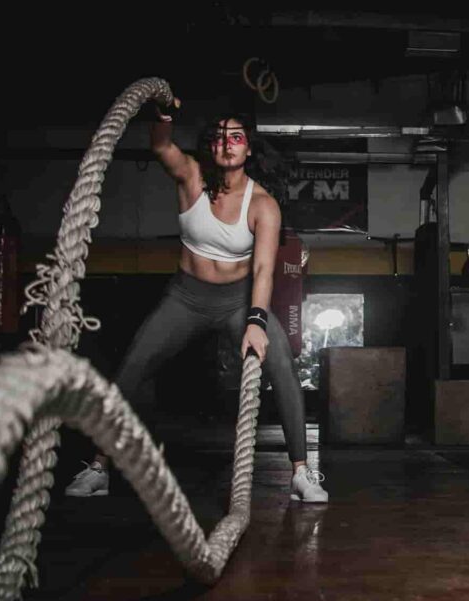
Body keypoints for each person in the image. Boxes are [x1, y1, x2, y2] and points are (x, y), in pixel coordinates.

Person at [65, 100, 328, 503]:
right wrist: (163, 115)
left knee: (283, 367)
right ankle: (99, 467)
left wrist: (256, 321)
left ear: (249, 149)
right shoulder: (190, 176)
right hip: (185, 297)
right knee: (132, 368)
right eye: (219, 137)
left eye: (236, 137)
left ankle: (301, 473)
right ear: (211, 146)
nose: (227, 144)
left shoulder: (263, 205)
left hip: (240, 301)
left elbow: (263, 271)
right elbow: (160, 146)